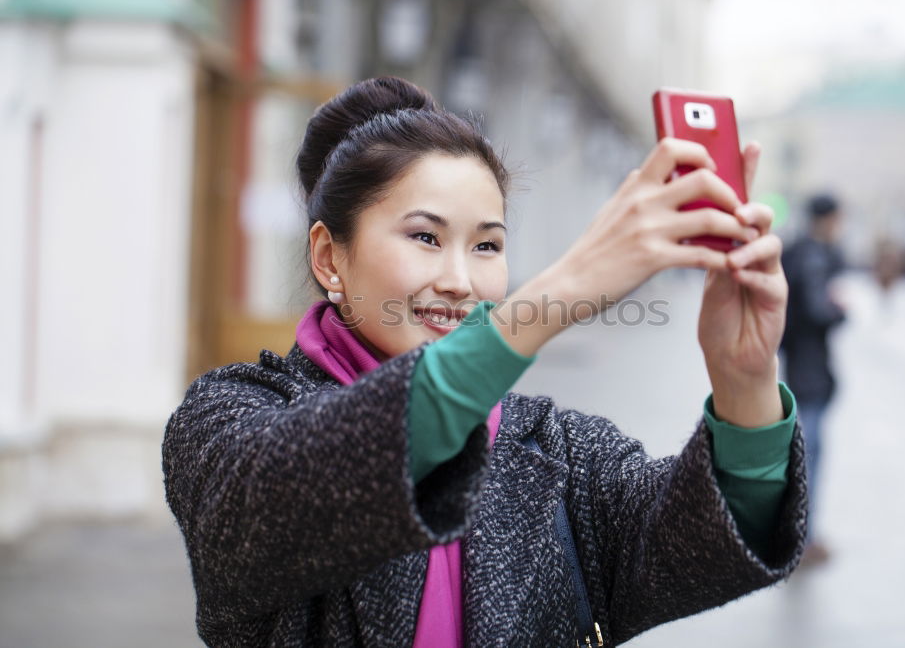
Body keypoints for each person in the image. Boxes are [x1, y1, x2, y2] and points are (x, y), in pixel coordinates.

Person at [162, 76, 807, 647]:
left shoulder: (554, 450)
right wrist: (562, 294)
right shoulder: (230, 415)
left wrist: (743, 379)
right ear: (330, 257)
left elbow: (706, 541)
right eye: (425, 237)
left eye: (488, 245)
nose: (459, 281)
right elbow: (282, 499)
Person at [780, 193, 846, 566]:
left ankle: (800, 535)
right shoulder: (816, 255)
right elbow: (821, 309)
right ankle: (802, 539)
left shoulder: (795, 251)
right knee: (809, 454)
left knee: (803, 451)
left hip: (797, 365)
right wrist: (840, 309)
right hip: (811, 371)